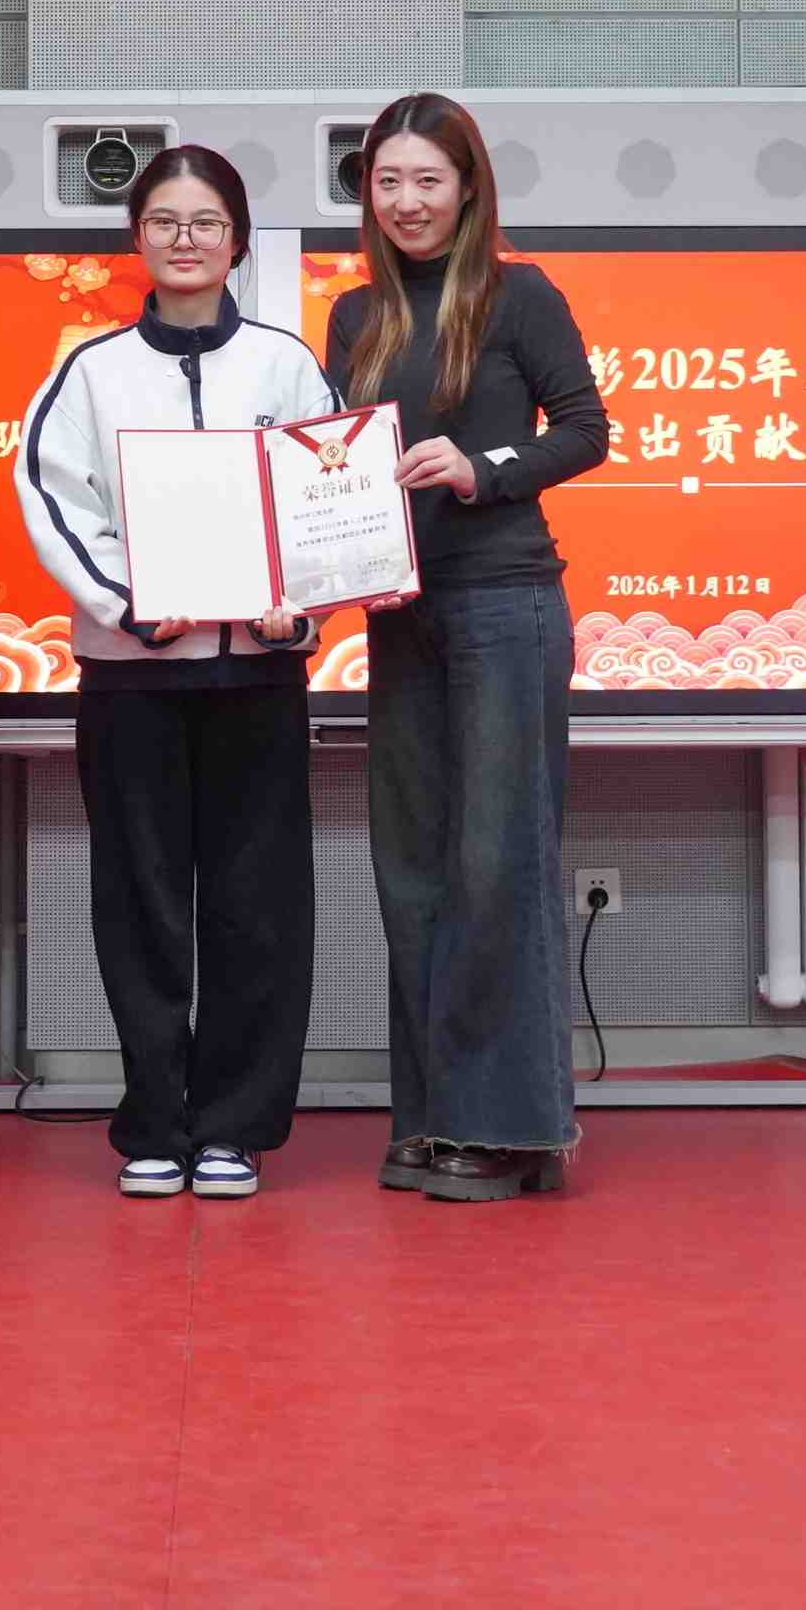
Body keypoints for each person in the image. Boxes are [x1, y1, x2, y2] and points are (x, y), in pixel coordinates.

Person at [17, 146, 339, 1203]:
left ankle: (235, 1126)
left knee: (258, 908)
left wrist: (299, 608)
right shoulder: (91, 370)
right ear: (137, 239)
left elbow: (330, 504)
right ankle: (154, 1122)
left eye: (206, 221)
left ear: (237, 240)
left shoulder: (287, 367)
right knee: (141, 905)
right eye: (164, 220)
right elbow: (55, 500)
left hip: (258, 680)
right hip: (133, 681)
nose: (185, 238)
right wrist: (131, 604)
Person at [325, 92, 610, 1203]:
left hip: (505, 603)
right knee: (412, 870)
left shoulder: (519, 294)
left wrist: (481, 469)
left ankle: (509, 1128)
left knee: (497, 864)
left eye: (428, 180)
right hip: (400, 612)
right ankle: (433, 1115)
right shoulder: (356, 314)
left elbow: (585, 429)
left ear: (468, 188)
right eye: (388, 181)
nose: (407, 201)